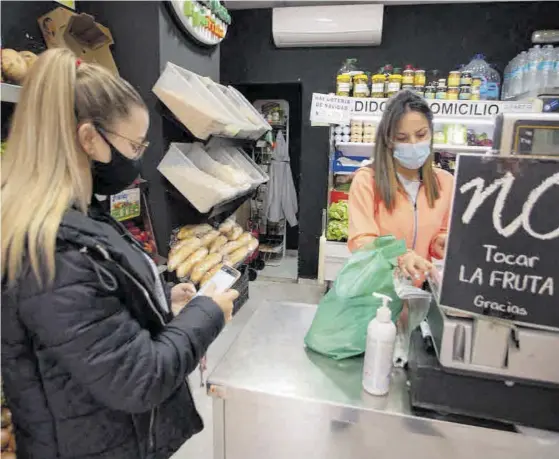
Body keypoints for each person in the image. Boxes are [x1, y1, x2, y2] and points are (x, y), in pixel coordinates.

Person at [1, 48, 238, 459]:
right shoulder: (53, 250)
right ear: (89, 138)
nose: (138, 157)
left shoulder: (75, 219)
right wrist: (208, 313)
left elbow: (96, 320)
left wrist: (161, 302)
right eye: (135, 144)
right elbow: (140, 379)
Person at [348, 90, 454, 280]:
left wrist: (441, 242)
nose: (413, 144)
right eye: (402, 138)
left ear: (431, 132)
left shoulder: (445, 182)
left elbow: (441, 231)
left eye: (421, 134)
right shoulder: (367, 181)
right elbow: (361, 240)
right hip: (377, 294)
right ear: (389, 140)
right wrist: (400, 256)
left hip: (419, 289)